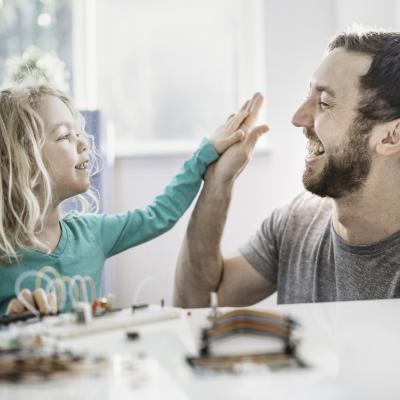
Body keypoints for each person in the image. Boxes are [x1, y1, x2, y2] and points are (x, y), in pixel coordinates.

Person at [173, 28, 400, 308]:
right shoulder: (297, 221)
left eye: (325, 103)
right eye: (308, 97)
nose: (297, 118)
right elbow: (197, 305)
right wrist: (219, 182)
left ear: (391, 136)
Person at [0, 83, 269, 315]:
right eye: (64, 136)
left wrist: (206, 152)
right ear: (21, 162)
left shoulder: (93, 233)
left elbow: (159, 214)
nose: (83, 143)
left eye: (78, 133)